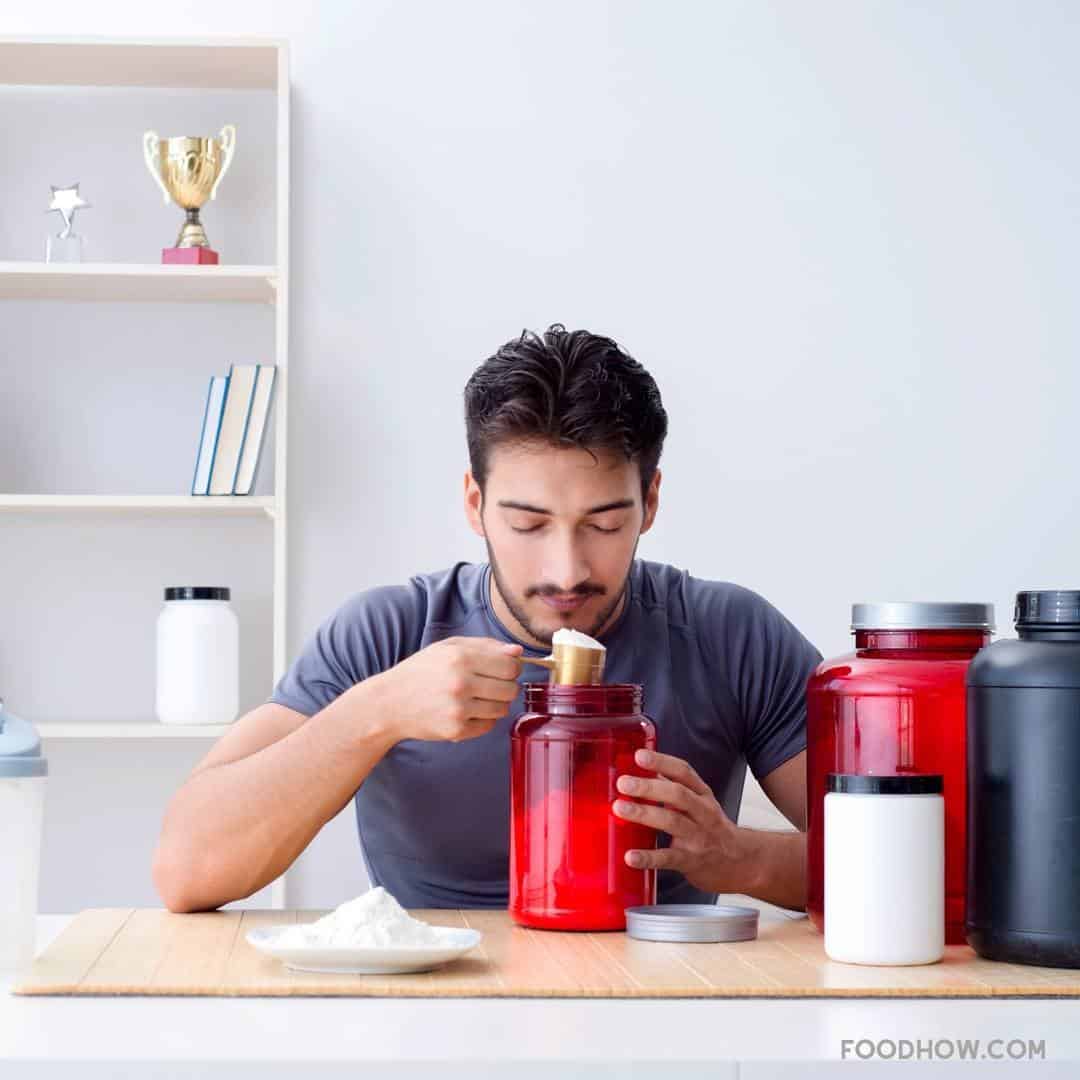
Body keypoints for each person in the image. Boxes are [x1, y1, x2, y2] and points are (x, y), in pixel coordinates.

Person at [153, 324, 821, 914]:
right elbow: (186, 871)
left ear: (650, 501)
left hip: (660, 1007)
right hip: (438, 1021)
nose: (566, 570)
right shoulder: (386, 634)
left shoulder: (726, 634)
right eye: (527, 523)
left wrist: (743, 859)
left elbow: (919, 867)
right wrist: (373, 713)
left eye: (605, 523)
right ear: (474, 503)